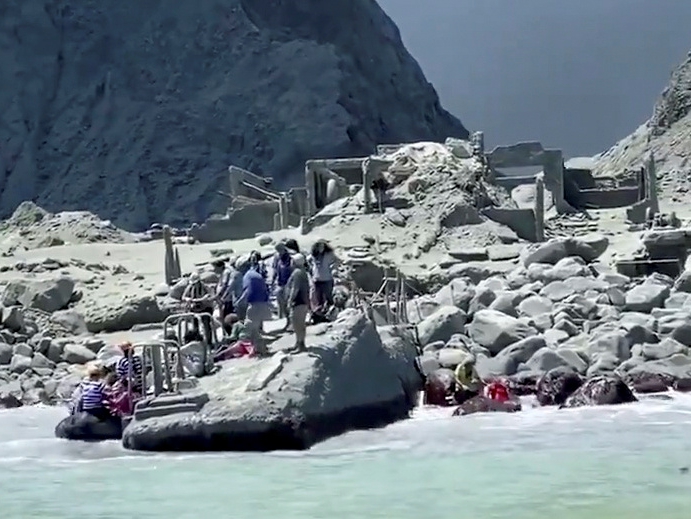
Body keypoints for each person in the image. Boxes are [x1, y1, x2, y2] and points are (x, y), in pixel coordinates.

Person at [239, 260, 271, 356]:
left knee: (249, 327)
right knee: (254, 329)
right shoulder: (256, 275)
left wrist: (240, 302)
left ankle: (261, 350)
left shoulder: (247, 276)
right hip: (263, 303)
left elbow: (247, 291)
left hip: (254, 304)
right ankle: (259, 349)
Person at [285, 253, 310, 352]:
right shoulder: (302, 272)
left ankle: (300, 345)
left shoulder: (297, 273)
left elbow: (295, 288)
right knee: (300, 324)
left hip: (298, 301)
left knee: (297, 324)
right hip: (303, 301)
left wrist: (290, 300)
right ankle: (299, 343)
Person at [182, 271, 214, 341]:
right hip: (194, 308)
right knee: (195, 325)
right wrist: (188, 299)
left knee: (206, 325)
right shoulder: (190, 287)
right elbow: (184, 296)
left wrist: (205, 298)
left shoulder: (205, 287)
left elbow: (210, 295)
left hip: (205, 308)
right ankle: (197, 340)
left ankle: (209, 341)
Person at [308, 239, 338, 312]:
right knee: (319, 299)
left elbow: (336, 261)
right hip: (317, 279)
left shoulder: (329, 254)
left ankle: (331, 313)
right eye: (319, 245)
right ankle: (320, 314)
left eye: (322, 245)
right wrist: (311, 270)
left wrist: (333, 268)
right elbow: (308, 260)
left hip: (327, 278)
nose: (321, 247)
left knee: (329, 298)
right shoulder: (314, 255)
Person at [271, 242, 294, 330]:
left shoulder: (290, 257)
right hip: (280, 283)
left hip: (289, 283)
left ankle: (291, 322)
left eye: (280, 250)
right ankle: (287, 321)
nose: (279, 252)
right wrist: (273, 280)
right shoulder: (277, 257)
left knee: (289, 303)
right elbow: (275, 269)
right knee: (282, 304)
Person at [216, 258, 237, 323]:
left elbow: (225, 285)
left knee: (227, 317)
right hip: (223, 299)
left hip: (227, 299)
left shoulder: (226, 272)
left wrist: (218, 295)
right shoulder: (222, 273)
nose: (214, 269)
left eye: (216, 267)